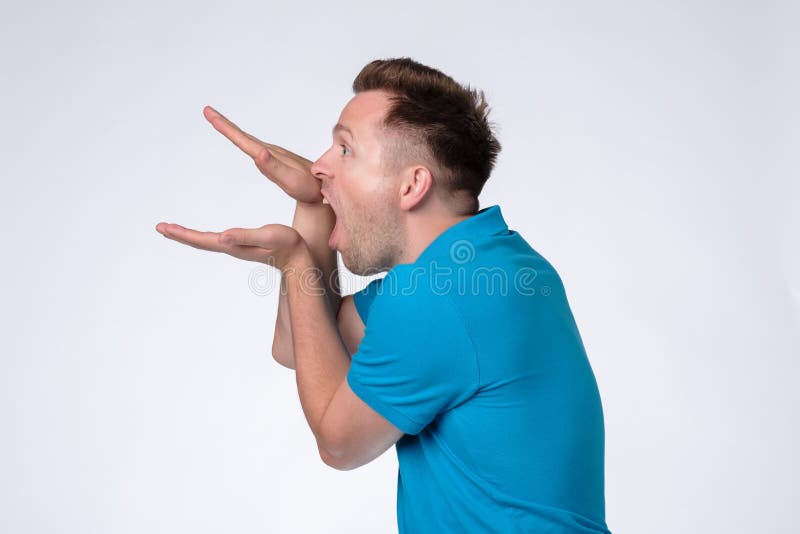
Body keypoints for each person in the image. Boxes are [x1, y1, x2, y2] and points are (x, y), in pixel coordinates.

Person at [156, 57, 612, 533]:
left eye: (345, 150)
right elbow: (308, 346)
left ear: (412, 185)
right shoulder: (484, 262)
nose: (319, 166)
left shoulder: (440, 297)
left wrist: (295, 264)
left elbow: (339, 443)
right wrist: (313, 208)